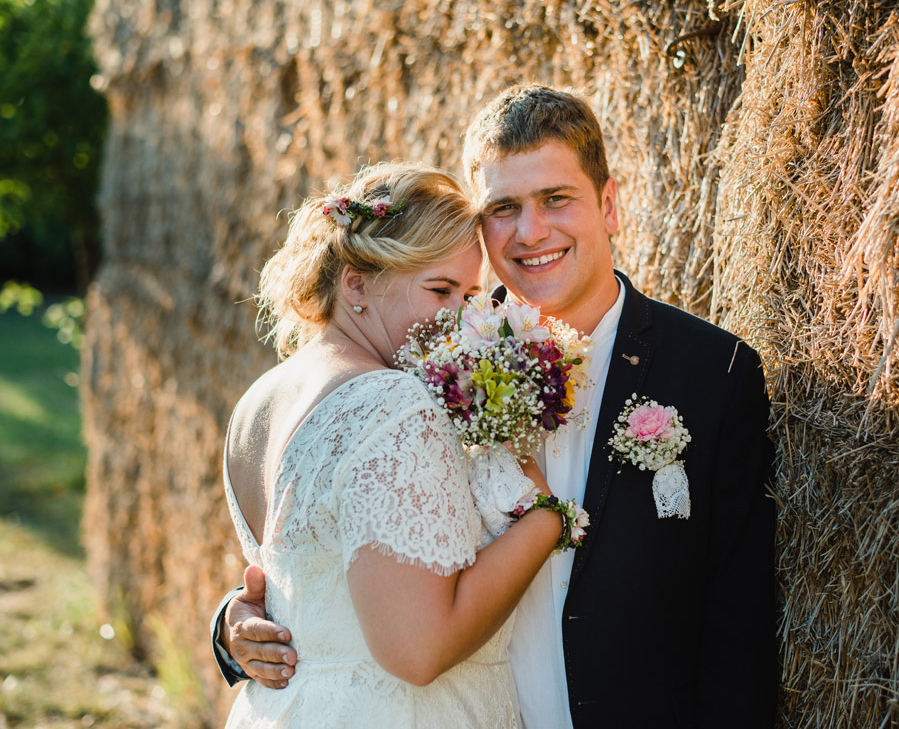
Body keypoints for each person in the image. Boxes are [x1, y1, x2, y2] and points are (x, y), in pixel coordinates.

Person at [214, 86, 777, 727]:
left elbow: (738, 622)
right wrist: (241, 618)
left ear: (610, 204)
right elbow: (335, 533)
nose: (530, 231)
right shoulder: (424, 362)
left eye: (556, 199)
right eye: (503, 208)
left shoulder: (711, 374)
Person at [217, 161, 570, 728]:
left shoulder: (256, 403)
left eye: (472, 293)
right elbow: (418, 650)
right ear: (355, 283)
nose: (461, 318)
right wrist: (548, 520)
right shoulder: (392, 402)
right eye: (440, 290)